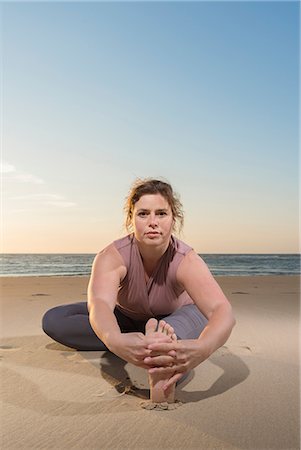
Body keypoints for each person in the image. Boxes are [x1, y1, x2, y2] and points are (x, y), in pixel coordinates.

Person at [42, 178, 235, 403]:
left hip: (177, 318)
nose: (153, 222)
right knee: (54, 319)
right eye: (143, 214)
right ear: (131, 219)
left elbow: (223, 311)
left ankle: (158, 353)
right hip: (126, 318)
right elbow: (101, 304)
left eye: (161, 213)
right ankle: (143, 343)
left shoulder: (186, 260)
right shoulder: (112, 256)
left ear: (174, 219)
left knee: (164, 347)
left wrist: (203, 347)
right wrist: (113, 338)